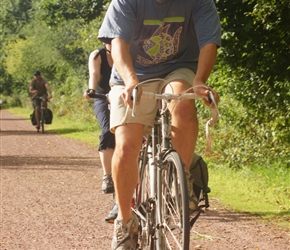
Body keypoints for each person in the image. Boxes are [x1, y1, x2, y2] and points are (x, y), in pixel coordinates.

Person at [98, 0, 221, 249]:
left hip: (178, 70)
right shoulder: (125, 2)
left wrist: (199, 80)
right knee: (126, 144)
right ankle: (125, 224)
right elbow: (118, 43)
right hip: (131, 75)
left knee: (183, 103)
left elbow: (209, 41)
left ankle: (180, 180)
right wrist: (130, 80)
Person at [84, 44, 118, 222]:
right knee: (107, 132)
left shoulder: (128, 49)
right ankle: (108, 176)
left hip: (123, 96)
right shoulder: (98, 55)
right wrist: (91, 89)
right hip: (103, 97)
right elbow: (94, 75)